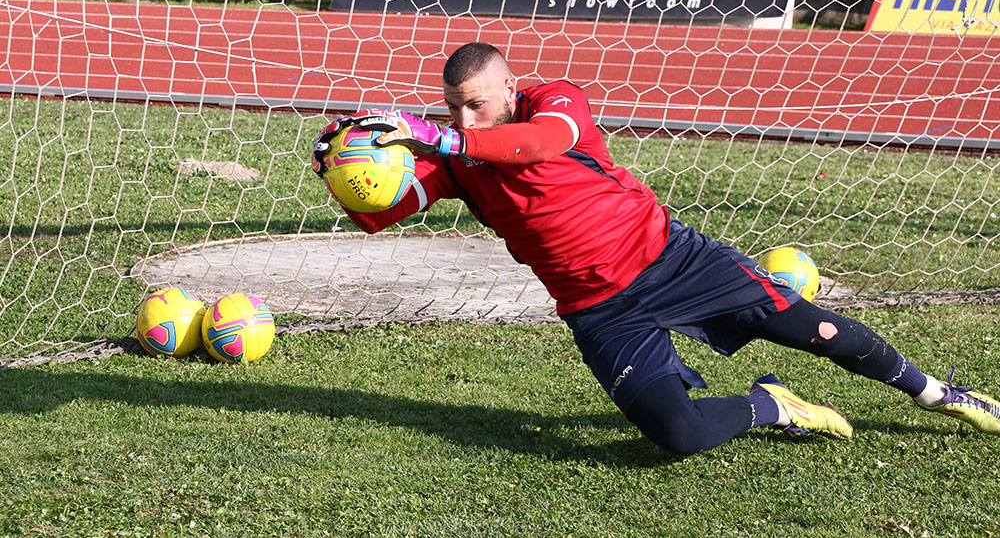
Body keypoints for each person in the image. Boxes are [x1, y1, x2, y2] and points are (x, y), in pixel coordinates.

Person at [311, 42, 1000, 455]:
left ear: (509, 90)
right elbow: (385, 213)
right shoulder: (462, 157)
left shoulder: (554, 102)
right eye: (452, 107)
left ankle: (937, 392)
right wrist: (344, 172)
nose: (462, 118)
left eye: (477, 104)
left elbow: (540, 146)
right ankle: (774, 404)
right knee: (681, 436)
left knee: (813, 326)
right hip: (600, 310)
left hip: (674, 260)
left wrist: (447, 140)